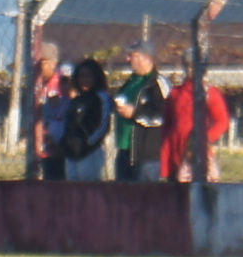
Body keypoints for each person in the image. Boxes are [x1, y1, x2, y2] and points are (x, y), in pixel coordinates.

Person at [164, 68, 230, 182]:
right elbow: (167, 124)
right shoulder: (176, 93)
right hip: (176, 149)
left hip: (198, 152)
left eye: (194, 66)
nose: (192, 70)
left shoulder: (209, 93)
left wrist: (204, 138)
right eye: (188, 66)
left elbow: (223, 121)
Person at [113, 48, 164, 181]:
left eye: (132, 56)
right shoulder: (131, 82)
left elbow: (162, 117)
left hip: (146, 155)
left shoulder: (157, 83)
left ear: (146, 58)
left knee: (146, 197)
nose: (127, 59)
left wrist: (135, 113)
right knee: (122, 197)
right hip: (125, 149)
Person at [59, 58, 113, 180]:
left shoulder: (100, 98)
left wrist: (87, 143)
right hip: (72, 151)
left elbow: (103, 125)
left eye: (89, 76)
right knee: (73, 183)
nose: (84, 80)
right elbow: (68, 123)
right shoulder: (76, 100)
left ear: (96, 77)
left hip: (90, 151)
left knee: (89, 183)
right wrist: (66, 142)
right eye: (81, 76)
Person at [24, 39, 65, 180]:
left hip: (59, 147)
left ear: (53, 63)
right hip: (44, 147)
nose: (39, 67)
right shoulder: (38, 84)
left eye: (43, 62)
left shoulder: (61, 85)